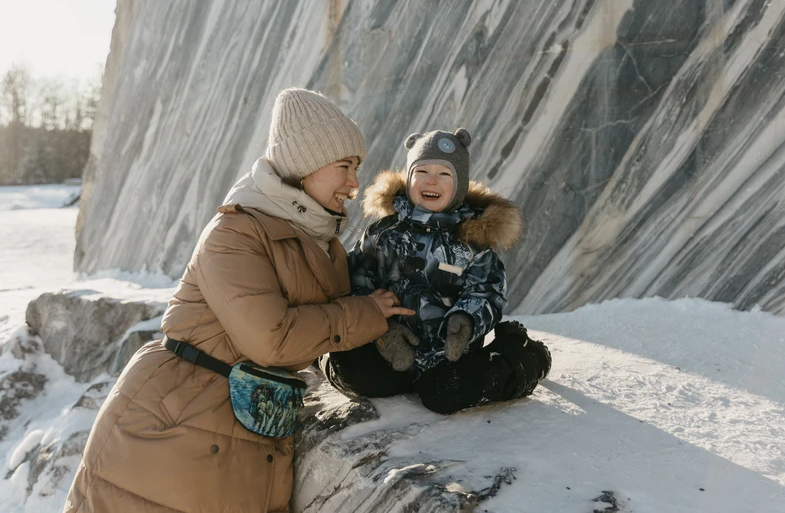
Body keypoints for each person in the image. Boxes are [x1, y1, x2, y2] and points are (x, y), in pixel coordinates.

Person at [63, 88, 412, 513]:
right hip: (176, 419)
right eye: (344, 166)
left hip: (247, 421)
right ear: (305, 164)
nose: (354, 183)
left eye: (356, 167)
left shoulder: (321, 242)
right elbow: (273, 340)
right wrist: (365, 313)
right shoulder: (235, 232)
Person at [322, 128, 552, 415]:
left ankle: (522, 355)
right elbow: (357, 279)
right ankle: (322, 359)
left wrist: (465, 321)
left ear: (459, 185)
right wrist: (382, 331)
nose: (432, 180)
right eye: (422, 172)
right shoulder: (385, 232)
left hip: (449, 355)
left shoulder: (470, 239)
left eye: (444, 174)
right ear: (408, 179)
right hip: (393, 348)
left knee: (444, 395)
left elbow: (487, 291)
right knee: (357, 372)